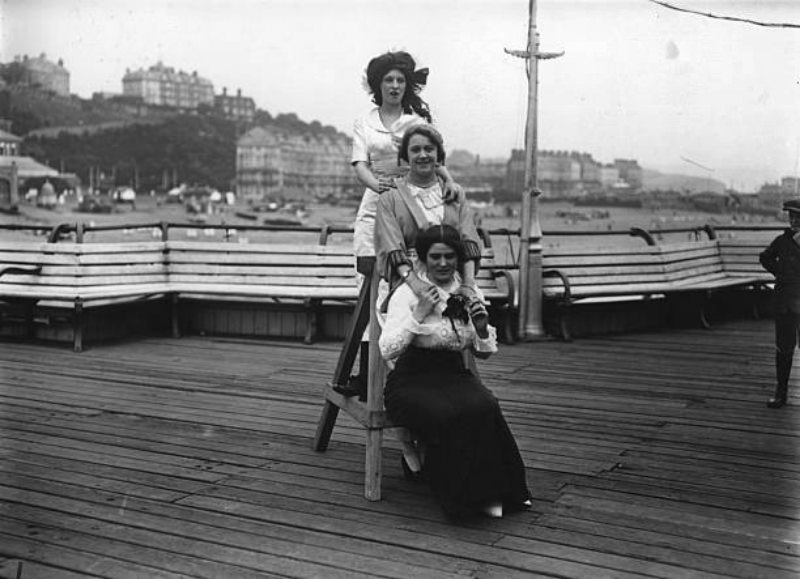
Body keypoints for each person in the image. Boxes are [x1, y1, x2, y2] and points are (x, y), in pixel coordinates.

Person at [379, 224, 531, 519]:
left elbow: (484, 354)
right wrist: (419, 314)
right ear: (423, 259)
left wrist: (482, 328)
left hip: (452, 373)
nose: (444, 263)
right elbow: (387, 349)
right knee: (449, 413)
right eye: (435, 257)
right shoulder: (408, 294)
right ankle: (464, 501)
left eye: (450, 256)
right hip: (411, 378)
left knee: (485, 405)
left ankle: (502, 495)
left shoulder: (466, 290)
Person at [339, 52, 462, 399]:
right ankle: (366, 374)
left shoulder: (415, 119)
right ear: (378, 84)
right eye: (388, 80)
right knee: (368, 288)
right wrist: (377, 185)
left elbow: (434, 157)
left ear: (407, 86)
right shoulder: (364, 121)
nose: (394, 86)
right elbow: (360, 164)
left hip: (411, 205)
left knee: (408, 282)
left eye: (400, 81)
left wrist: (449, 181)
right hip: (375, 204)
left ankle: (411, 371)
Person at [375, 123, 483, 300]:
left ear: (438, 156)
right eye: (415, 150)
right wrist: (417, 285)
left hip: (451, 276)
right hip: (407, 279)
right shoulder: (390, 198)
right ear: (405, 156)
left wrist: (468, 285)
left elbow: (469, 242)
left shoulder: (454, 194)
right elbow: (391, 248)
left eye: (429, 149)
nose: (423, 155)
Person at [759, 199, 800, 408]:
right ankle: (781, 393)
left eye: (798, 217)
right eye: (791, 217)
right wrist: (779, 272)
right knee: (784, 349)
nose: (794, 221)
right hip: (785, 303)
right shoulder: (782, 241)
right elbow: (765, 258)